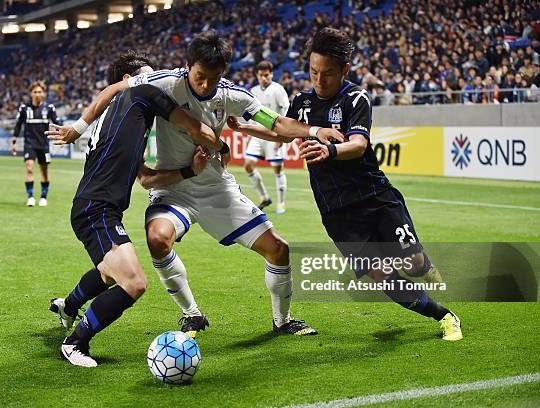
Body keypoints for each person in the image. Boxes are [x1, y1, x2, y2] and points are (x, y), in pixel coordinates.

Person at [50, 31, 344, 339]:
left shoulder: (233, 95)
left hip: (217, 189)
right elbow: (114, 89)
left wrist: (315, 130)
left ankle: (282, 321)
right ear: (188, 65)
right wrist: (78, 126)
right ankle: (192, 314)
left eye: (213, 79)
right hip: (172, 190)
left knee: (278, 249)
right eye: (200, 76)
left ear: (223, 74)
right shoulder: (163, 82)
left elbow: (277, 122)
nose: (205, 85)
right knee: (158, 239)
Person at [229, 28, 463, 342]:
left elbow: (358, 145)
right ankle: (444, 315)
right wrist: (245, 128)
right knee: (381, 275)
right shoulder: (302, 102)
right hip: (337, 213)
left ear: (344, 71)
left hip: (375, 199)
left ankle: (423, 264)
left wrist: (330, 150)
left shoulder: (356, 98)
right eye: (313, 72)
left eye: (327, 74)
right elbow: (284, 134)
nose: (318, 80)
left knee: (413, 262)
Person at [46, 58, 221, 367]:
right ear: (131, 79)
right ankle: (75, 344)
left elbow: (148, 179)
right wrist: (219, 143)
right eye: (150, 74)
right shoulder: (141, 94)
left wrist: (189, 172)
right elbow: (194, 127)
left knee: (109, 273)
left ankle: (69, 306)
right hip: (96, 210)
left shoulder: (126, 117)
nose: (158, 77)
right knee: (134, 282)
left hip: (99, 208)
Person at [243, 61, 291, 213]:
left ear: (271, 74)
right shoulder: (253, 91)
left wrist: (282, 135)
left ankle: (281, 203)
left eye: (266, 75)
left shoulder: (278, 90)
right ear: (257, 75)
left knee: (277, 168)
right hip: (258, 134)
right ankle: (264, 197)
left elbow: (286, 110)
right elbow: (248, 112)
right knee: (248, 165)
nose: (264, 78)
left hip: (274, 134)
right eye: (261, 75)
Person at [12, 81, 60, 207]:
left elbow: (58, 123)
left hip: (43, 145)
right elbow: (18, 125)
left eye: (40, 92)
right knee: (29, 168)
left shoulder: (49, 108)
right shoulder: (24, 108)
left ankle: (43, 197)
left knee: (44, 171)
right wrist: (14, 141)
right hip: (29, 144)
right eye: (35, 92)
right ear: (31, 94)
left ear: (43, 94)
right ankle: (31, 197)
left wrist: (62, 136)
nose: (37, 94)